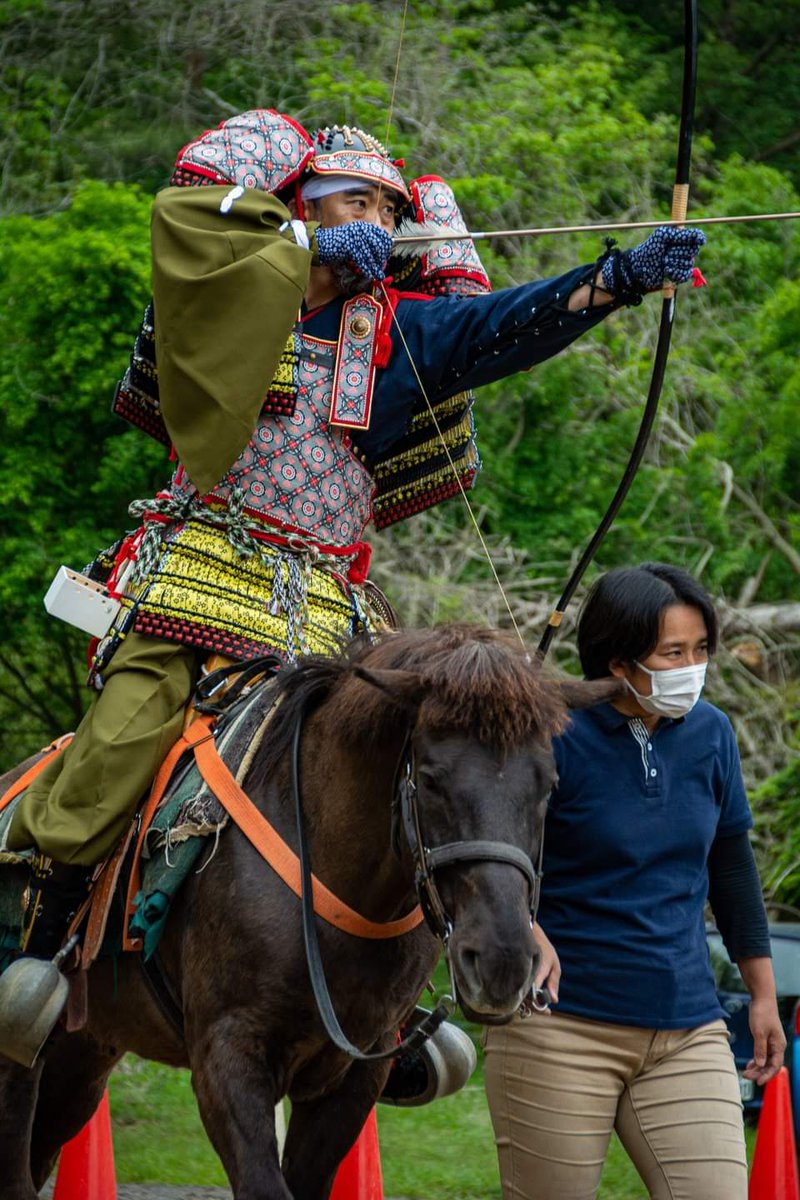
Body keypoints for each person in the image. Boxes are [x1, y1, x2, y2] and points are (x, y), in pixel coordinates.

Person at [4, 113, 704, 1045]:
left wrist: (614, 279)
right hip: (199, 579)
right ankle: (39, 945)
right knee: (122, 740)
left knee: (407, 775)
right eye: (351, 200)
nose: (373, 214)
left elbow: (500, 327)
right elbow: (204, 245)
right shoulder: (220, 290)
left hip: (332, 610)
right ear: (298, 205)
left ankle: (393, 998)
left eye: (384, 204)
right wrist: (309, 252)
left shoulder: (397, 333)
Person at [484, 562, 784, 1200]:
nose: (693, 666)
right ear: (618, 662)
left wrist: (762, 993)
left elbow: (731, 870)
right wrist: (526, 927)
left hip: (688, 1026)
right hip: (561, 1027)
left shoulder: (712, 734)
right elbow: (489, 862)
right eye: (673, 652)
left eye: (701, 649)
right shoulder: (548, 735)